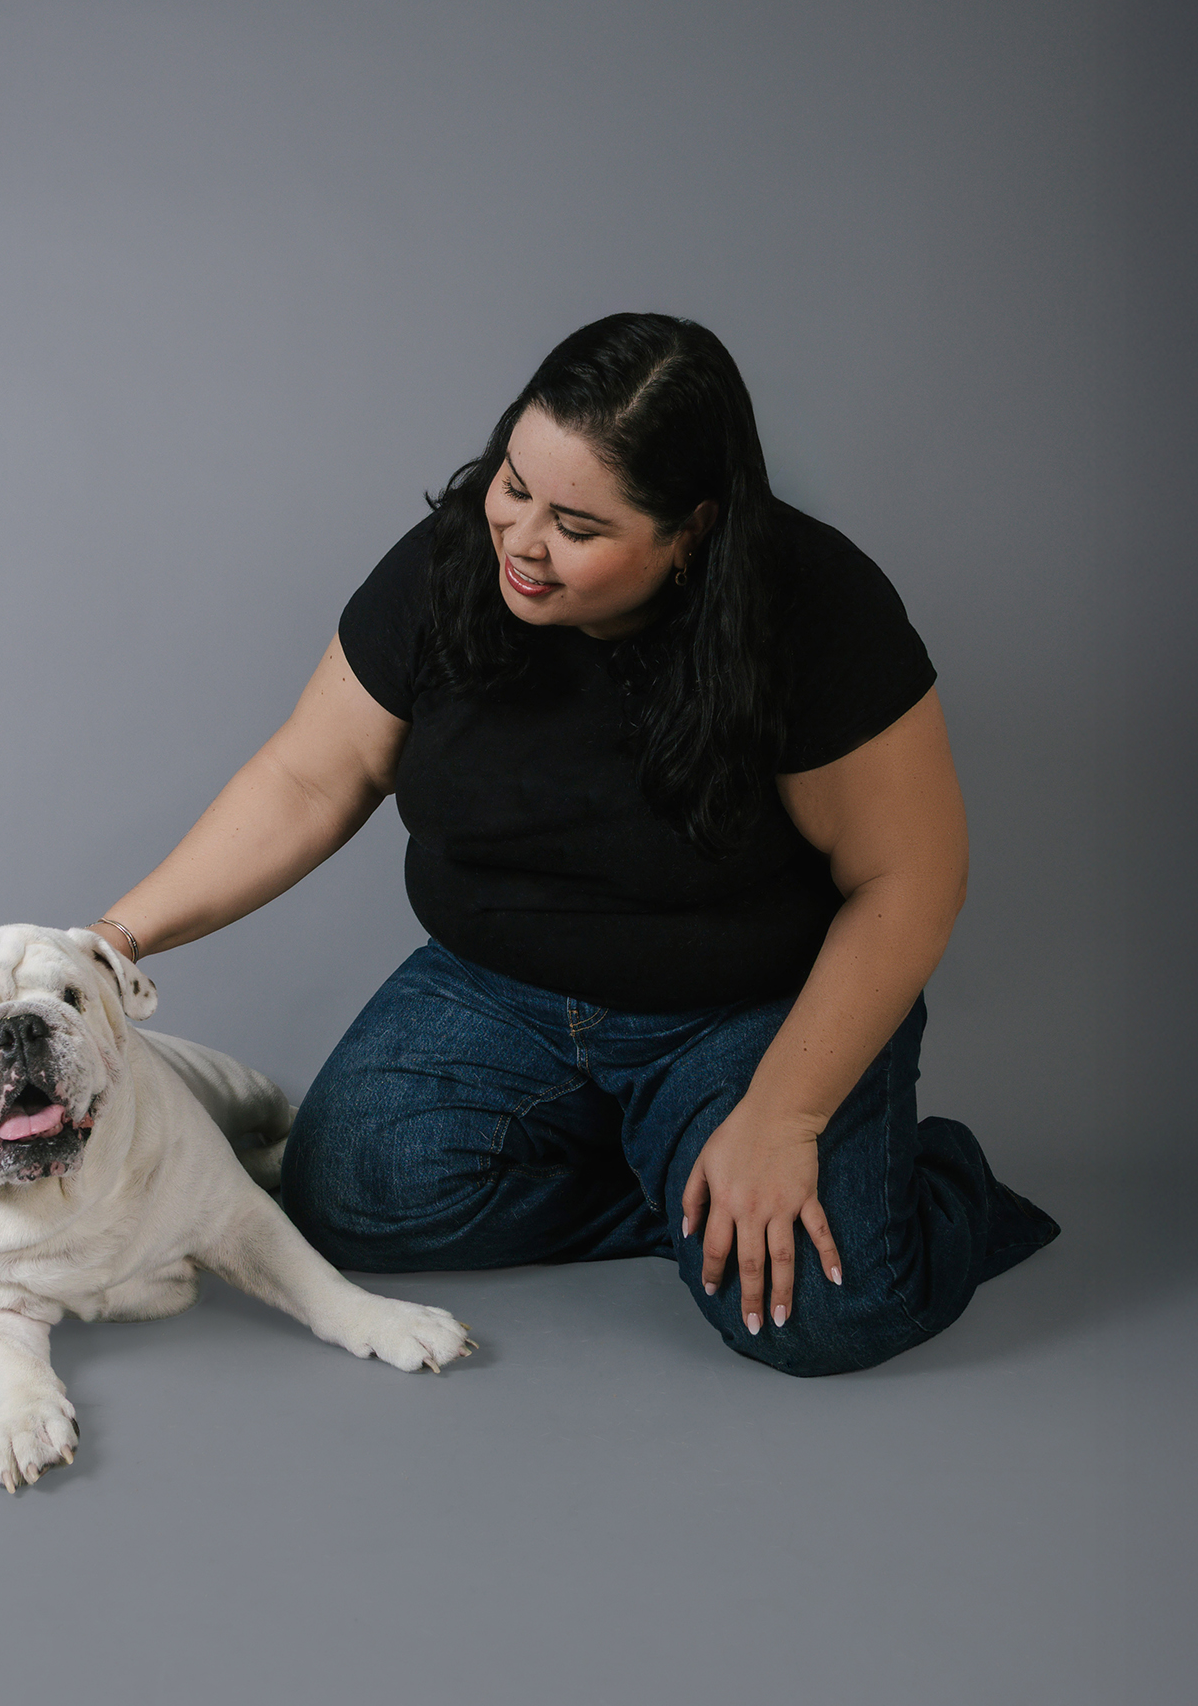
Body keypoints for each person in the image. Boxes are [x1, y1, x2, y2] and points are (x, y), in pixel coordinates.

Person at [91, 312, 1057, 1376]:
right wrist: (113, 940)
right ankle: (686, 1184)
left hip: (744, 1009)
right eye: (513, 484)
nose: (519, 540)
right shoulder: (454, 560)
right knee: (344, 1197)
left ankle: (902, 1184)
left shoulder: (817, 609)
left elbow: (909, 878)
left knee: (830, 1310)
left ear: (691, 531)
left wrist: (785, 1119)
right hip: (499, 991)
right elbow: (312, 777)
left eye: (579, 526)